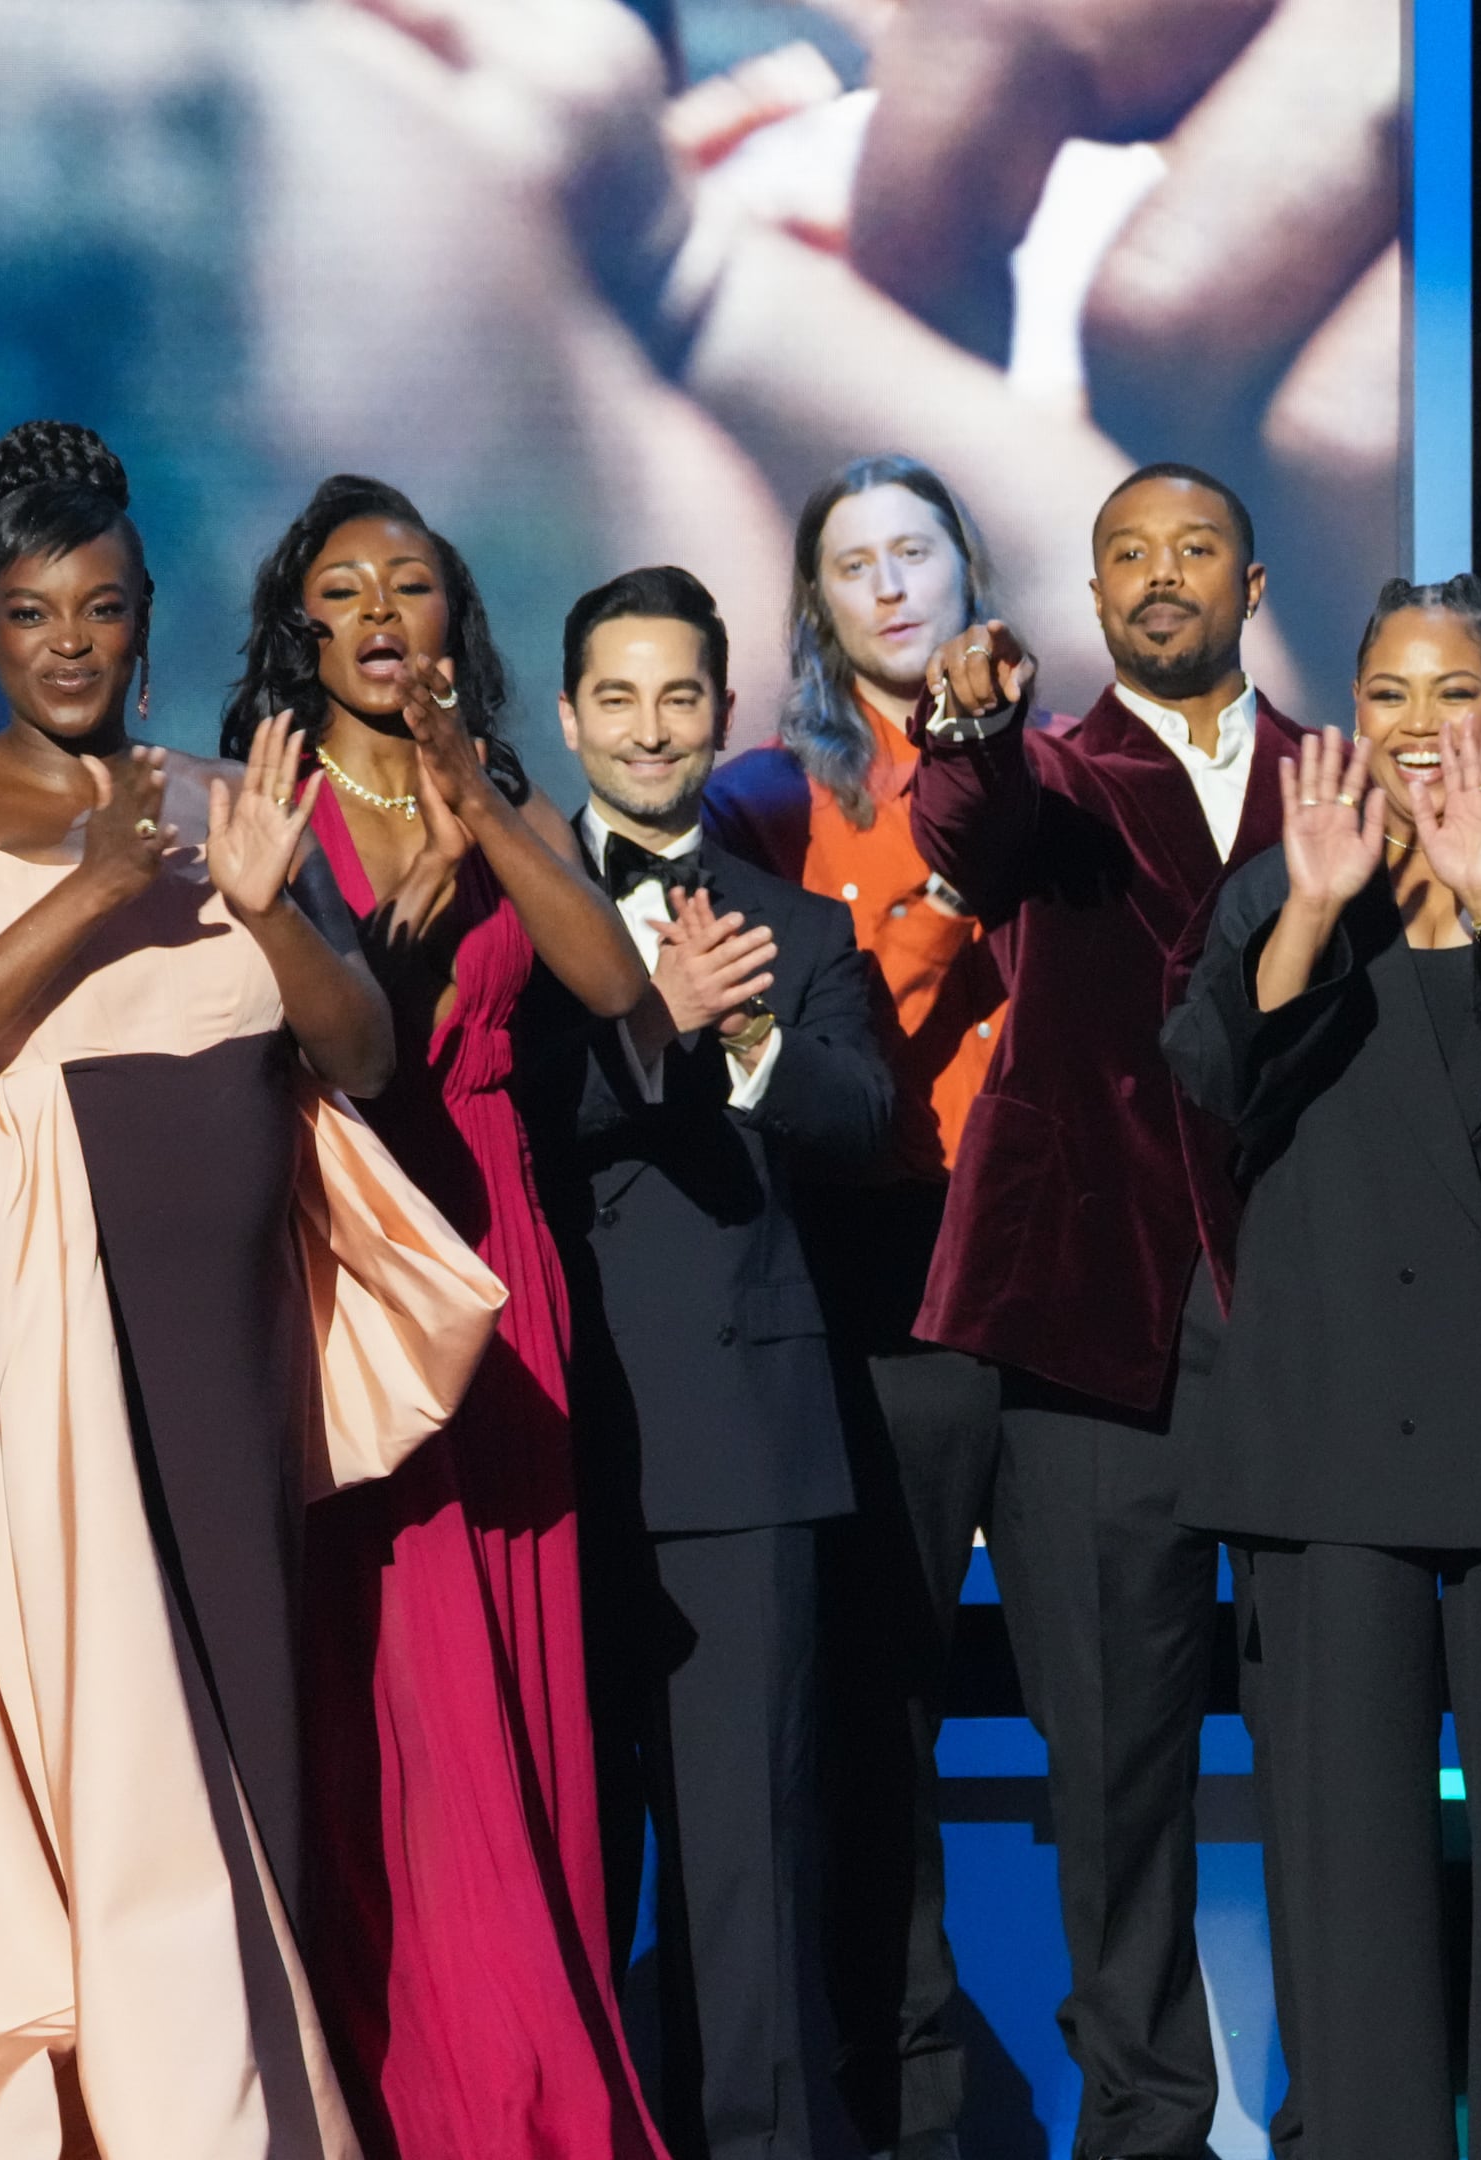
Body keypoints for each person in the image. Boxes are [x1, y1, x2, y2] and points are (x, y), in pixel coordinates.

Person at [0, 421, 493, 2155]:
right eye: (28, 611)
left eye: (98, 609)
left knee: (242, 1740)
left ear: (146, 618)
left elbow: (363, 1054)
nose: (67, 643)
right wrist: (88, 900)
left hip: (219, 1365)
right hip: (21, 1364)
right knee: (68, 1771)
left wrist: (273, 911)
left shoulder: (232, 802)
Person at [1162, 576, 1481, 2157]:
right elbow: (1210, 1095)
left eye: (1453, 695)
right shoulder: (1283, 891)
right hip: (1330, 1440)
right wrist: (1309, 908)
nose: (1421, 729)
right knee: (1345, 1883)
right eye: (1388, 697)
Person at [247, 475, 676, 2159]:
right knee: (388, 1707)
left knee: (522, 1698)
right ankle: (405, 2088)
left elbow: (612, 983)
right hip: (346, 1271)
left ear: (449, 623)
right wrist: (391, 931)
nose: (375, 613)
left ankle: (529, 2092)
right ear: (301, 627)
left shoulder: (499, 793)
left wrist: (478, 815)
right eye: (341, 588)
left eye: (407, 586)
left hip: (501, 1279)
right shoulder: (262, 800)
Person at [908, 459, 1315, 2159]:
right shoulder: (1054, 778)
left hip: (1302, 1317)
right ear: (1091, 597)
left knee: (1326, 1748)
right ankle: (1145, 2116)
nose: (1161, 578)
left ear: (1252, 576)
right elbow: (969, 832)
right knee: (1118, 1763)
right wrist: (979, 733)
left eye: (1194, 549)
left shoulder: (1335, 777)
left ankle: (1341, 2103)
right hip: (1091, 1318)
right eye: (1127, 556)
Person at [520, 565, 895, 2160]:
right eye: (617, 696)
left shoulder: (801, 930)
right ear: (564, 717)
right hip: (539, 1443)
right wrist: (647, 1025)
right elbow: (497, 1136)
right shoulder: (501, 925)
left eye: (680, 695)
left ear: (722, 712)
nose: (650, 726)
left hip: (745, 1454)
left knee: (751, 1867)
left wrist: (736, 1039)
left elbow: (870, 1123)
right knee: (564, 1873)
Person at [700, 456, 1011, 2157]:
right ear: (816, 610)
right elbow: (837, 1052)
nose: (891, 587)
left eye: (916, 553)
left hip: (1051, 1263)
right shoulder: (769, 795)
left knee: (1110, 1706)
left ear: (970, 570)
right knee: (874, 1712)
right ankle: (898, 2093)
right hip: (877, 1270)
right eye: (852, 566)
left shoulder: (1061, 768)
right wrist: (943, 898)